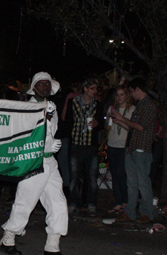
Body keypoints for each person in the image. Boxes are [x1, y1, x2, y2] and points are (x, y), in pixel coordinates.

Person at [0, 72, 70, 255]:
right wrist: (44, 145)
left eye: (48, 84)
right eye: (41, 84)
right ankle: (8, 239)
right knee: (25, 202)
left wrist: (52, 143)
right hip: (33, 160)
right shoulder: (27, 107)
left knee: (58, 203)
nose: (45, 87)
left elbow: (51, 132)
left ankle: (52, 247)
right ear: (35, 87)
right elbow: (24, 134)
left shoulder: (51, 107)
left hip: (50, 162)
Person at [109, 77, 158, 225]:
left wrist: (122, 117)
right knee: (131, 183)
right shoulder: (140, 106)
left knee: (143, 183)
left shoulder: (149, 105)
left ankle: (146, 213)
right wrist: (121, 122)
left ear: (137, 89)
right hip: (131, 148)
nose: (131, 95)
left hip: (142, 149)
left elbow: (140, 127)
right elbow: (132, 128)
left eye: (131, 91)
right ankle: (130, 212)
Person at [67, 76, 104, 216]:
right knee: (74, 177)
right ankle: (73, 203)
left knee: (92, 178)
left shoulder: (98, 104)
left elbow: (101, 122)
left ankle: (91, 204)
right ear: (85, 89)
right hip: (76, 143)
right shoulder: (73, 102)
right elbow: (68, 120)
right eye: (92, 88)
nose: (94, 91)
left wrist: (97, 123)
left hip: (91, 145)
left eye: (96, 89)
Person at [104, 84, 134, 215]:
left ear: (127, 95)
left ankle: (126, 202)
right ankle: (118, 202)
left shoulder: (132, 110)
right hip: (112, 144)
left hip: (124, 146)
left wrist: (121, 121)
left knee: (122, 174)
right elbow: (107, 127)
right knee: (115, 175)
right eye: (117, 95)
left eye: (122, 94)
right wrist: (109, 120)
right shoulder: (113, 108)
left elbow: (133, 129)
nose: (119, 97)